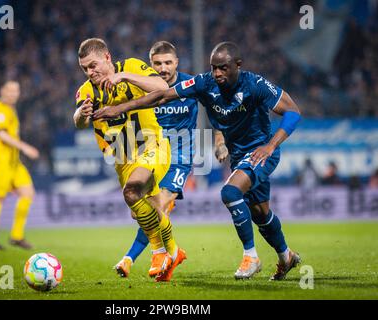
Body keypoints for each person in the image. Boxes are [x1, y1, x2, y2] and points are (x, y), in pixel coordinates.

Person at [94, 41, 302, 281]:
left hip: (261, 152)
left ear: (238, 65)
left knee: (230, 193)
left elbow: (293, 112)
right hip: (238, 156)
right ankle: (286, 256)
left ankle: (250, 257)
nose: (217, 73)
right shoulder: (204, 83)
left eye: (223, 68)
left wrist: (270, 145)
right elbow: (162, 96)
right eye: (214, 67)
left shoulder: (255, 85)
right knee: (260, 213)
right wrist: (119, 109)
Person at [73, 38, 184, 280]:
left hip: (152, 145)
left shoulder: (132, 67)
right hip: (123, 159)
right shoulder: (88, 91)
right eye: (85, 69)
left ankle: (158, 252)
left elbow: (160, 86)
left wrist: (123, 77)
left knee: (132, 191)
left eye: (93, 65)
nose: (90, 72)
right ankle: (174, 251)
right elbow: (79, 121)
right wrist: (82, 114)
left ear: (107, 57)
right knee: (149, 211)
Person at [114, 41, 201, 281]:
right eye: (157, 63)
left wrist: (219, 137)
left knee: (160, 205)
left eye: (168, 62)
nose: (163, 68)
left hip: (179, 159)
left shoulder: (190, 84)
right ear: (150, 64)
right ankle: (173, 256)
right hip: (151, 156)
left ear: (177, 63)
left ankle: (136, 257)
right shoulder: (144, 87)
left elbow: (216, 105)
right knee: (140, 212)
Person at [0, 81, 39, 251]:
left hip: (14, 163)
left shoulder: (10, 109)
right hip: (0, 162)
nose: (13, 93)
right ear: (2, 91)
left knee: (28, 193)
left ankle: (16, 236)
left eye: (16, 90)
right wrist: (25, 147)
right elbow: (1, 135)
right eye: (10, 90)